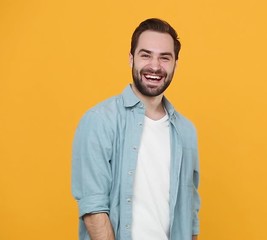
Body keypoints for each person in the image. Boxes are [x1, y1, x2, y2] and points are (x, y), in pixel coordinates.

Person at [72, 18, 200, 240]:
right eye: (146, 55)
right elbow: (94, 209)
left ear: (175, 64)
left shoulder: (186, 131)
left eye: (165, 57)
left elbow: (190, 214)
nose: (155, 66)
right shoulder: (99, 121)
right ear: (131, 58)